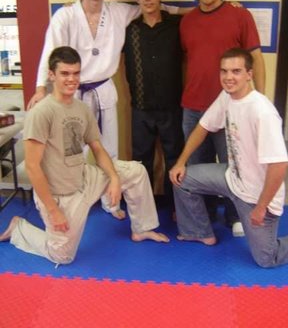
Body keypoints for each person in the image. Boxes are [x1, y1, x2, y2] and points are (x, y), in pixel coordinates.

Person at [27, 0, 182, 220]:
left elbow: (155, 7)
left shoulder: (119, 11)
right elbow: (50, 51)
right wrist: (41, 87)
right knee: (73, 152)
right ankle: (73, 201)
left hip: (104, 89)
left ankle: (111, 201)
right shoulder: (65, 16)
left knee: (108, 150)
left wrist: (196, 11)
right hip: (72, 94)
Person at [0, 46, 169, 265]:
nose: (72, 79)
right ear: (51, 75)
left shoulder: (81, 108)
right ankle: (19, 229)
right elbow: (32, 167)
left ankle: (142, 228)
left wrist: (115, 178)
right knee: (63, 256)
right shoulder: (41, 113)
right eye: (65, 74)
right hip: (62, 195)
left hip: (85, 178)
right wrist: (53, 210)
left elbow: (97, 148)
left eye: (76, 73)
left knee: (135, 171)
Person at [169, 48, 288, 268]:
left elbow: (279, 165)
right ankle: (198, 231)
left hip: (256, 197)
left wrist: (261, 207)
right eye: (224, 71)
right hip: (232, 179)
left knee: (267, 259)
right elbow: (203, 127)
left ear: (249, 74)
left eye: (236, 71)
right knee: (181, 179)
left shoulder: (262, 111)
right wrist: (181, 162)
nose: (229, 77)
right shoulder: (227, 97)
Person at [180, 0, 266, 236]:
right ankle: (202, 216)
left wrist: (258, 100)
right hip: (193, 107)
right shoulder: (187, 21)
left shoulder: (240, 16)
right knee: (196, 166)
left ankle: (235, 215)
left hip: (233, 109)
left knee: (236, 165)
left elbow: (255, 58)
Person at [123, 0, 184, 213]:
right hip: (140, 107)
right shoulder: (129, 30)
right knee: (140, 161)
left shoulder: (176, 25)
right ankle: (143, 209)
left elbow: (198, 16)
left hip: (171, 106)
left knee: (174, 158)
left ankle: (176, 208)